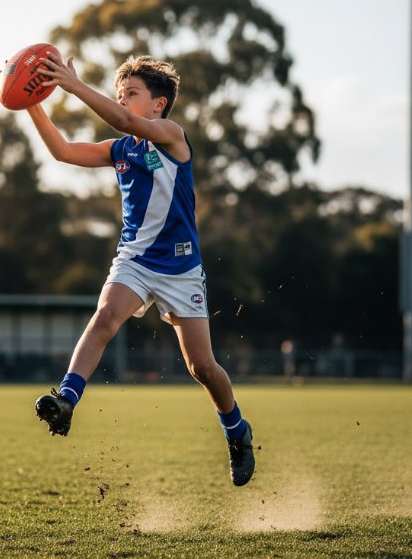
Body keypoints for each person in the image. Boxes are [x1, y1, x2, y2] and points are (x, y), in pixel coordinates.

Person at [24, 53, 255, 486]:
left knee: (201, 366)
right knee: (105, 317)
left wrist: (74, 86)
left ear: (159, 104)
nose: (123, 101)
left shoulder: (171, 136)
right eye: (120, 95)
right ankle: (68, 400)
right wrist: (30, 101)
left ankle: (236, 429)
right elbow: (63, 151)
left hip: (182, 267)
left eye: (132, 94)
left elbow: (128, 123)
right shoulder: (122, 149)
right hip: (135, 258)